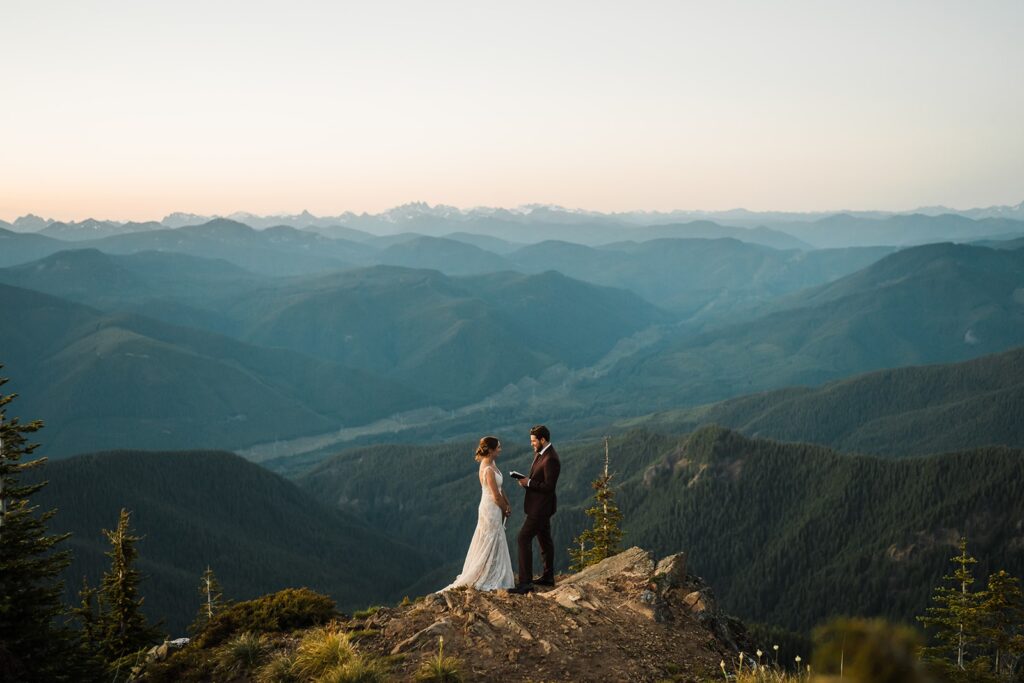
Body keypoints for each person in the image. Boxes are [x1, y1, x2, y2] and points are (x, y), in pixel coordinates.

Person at [440, 436, 515, 591]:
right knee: (491, 538)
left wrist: (507, 502)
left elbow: (500, 489)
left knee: (494, 538)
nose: (500, 449)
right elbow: (495, 495)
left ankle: (492, 571)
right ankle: (488, 575)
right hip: (490, 508)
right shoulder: (487, 469)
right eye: (498, 447)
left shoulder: (491, 463)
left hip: (493, 506)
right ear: (492, 450)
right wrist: (504, 509)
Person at [511, 424, 560, 593]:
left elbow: (549, 486)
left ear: (543, 439)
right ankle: (548, 577)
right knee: (545, 540)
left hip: (540, 509)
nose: (531, 443)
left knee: (523, 539)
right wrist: (527, 481)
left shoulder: (551, 458)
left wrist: (529, 482)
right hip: (540, 507)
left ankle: (525, 583)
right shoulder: (542, 454)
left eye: (533, 441)